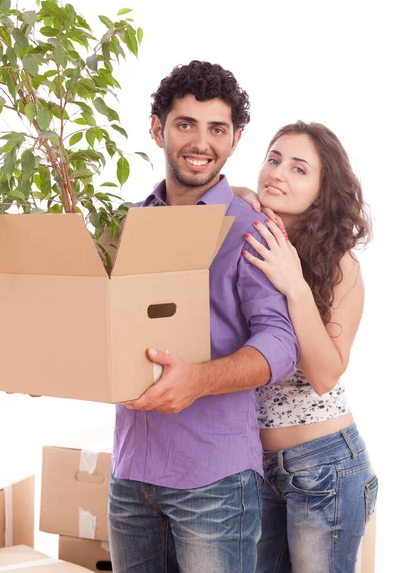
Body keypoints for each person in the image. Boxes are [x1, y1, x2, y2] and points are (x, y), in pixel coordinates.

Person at [107, 61, 299, 573]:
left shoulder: (251, 228)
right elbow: (104, 327)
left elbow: (281, 345)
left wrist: (198, 380)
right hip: (130, 474)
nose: (201, 142)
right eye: (185, 123)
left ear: (235, 139)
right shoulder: (129, 223)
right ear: (157, 128)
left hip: (213, 483)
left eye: (217, 128)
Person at [234, 121, 377, 573]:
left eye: (299, 169)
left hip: (325, 464)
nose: (277, 173)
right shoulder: (247, 237)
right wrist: (233, 195)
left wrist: (294, 284)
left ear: (322, 189)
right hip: (253, 464)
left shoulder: (340, 263)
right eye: (273, 159)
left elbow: (324, 374)